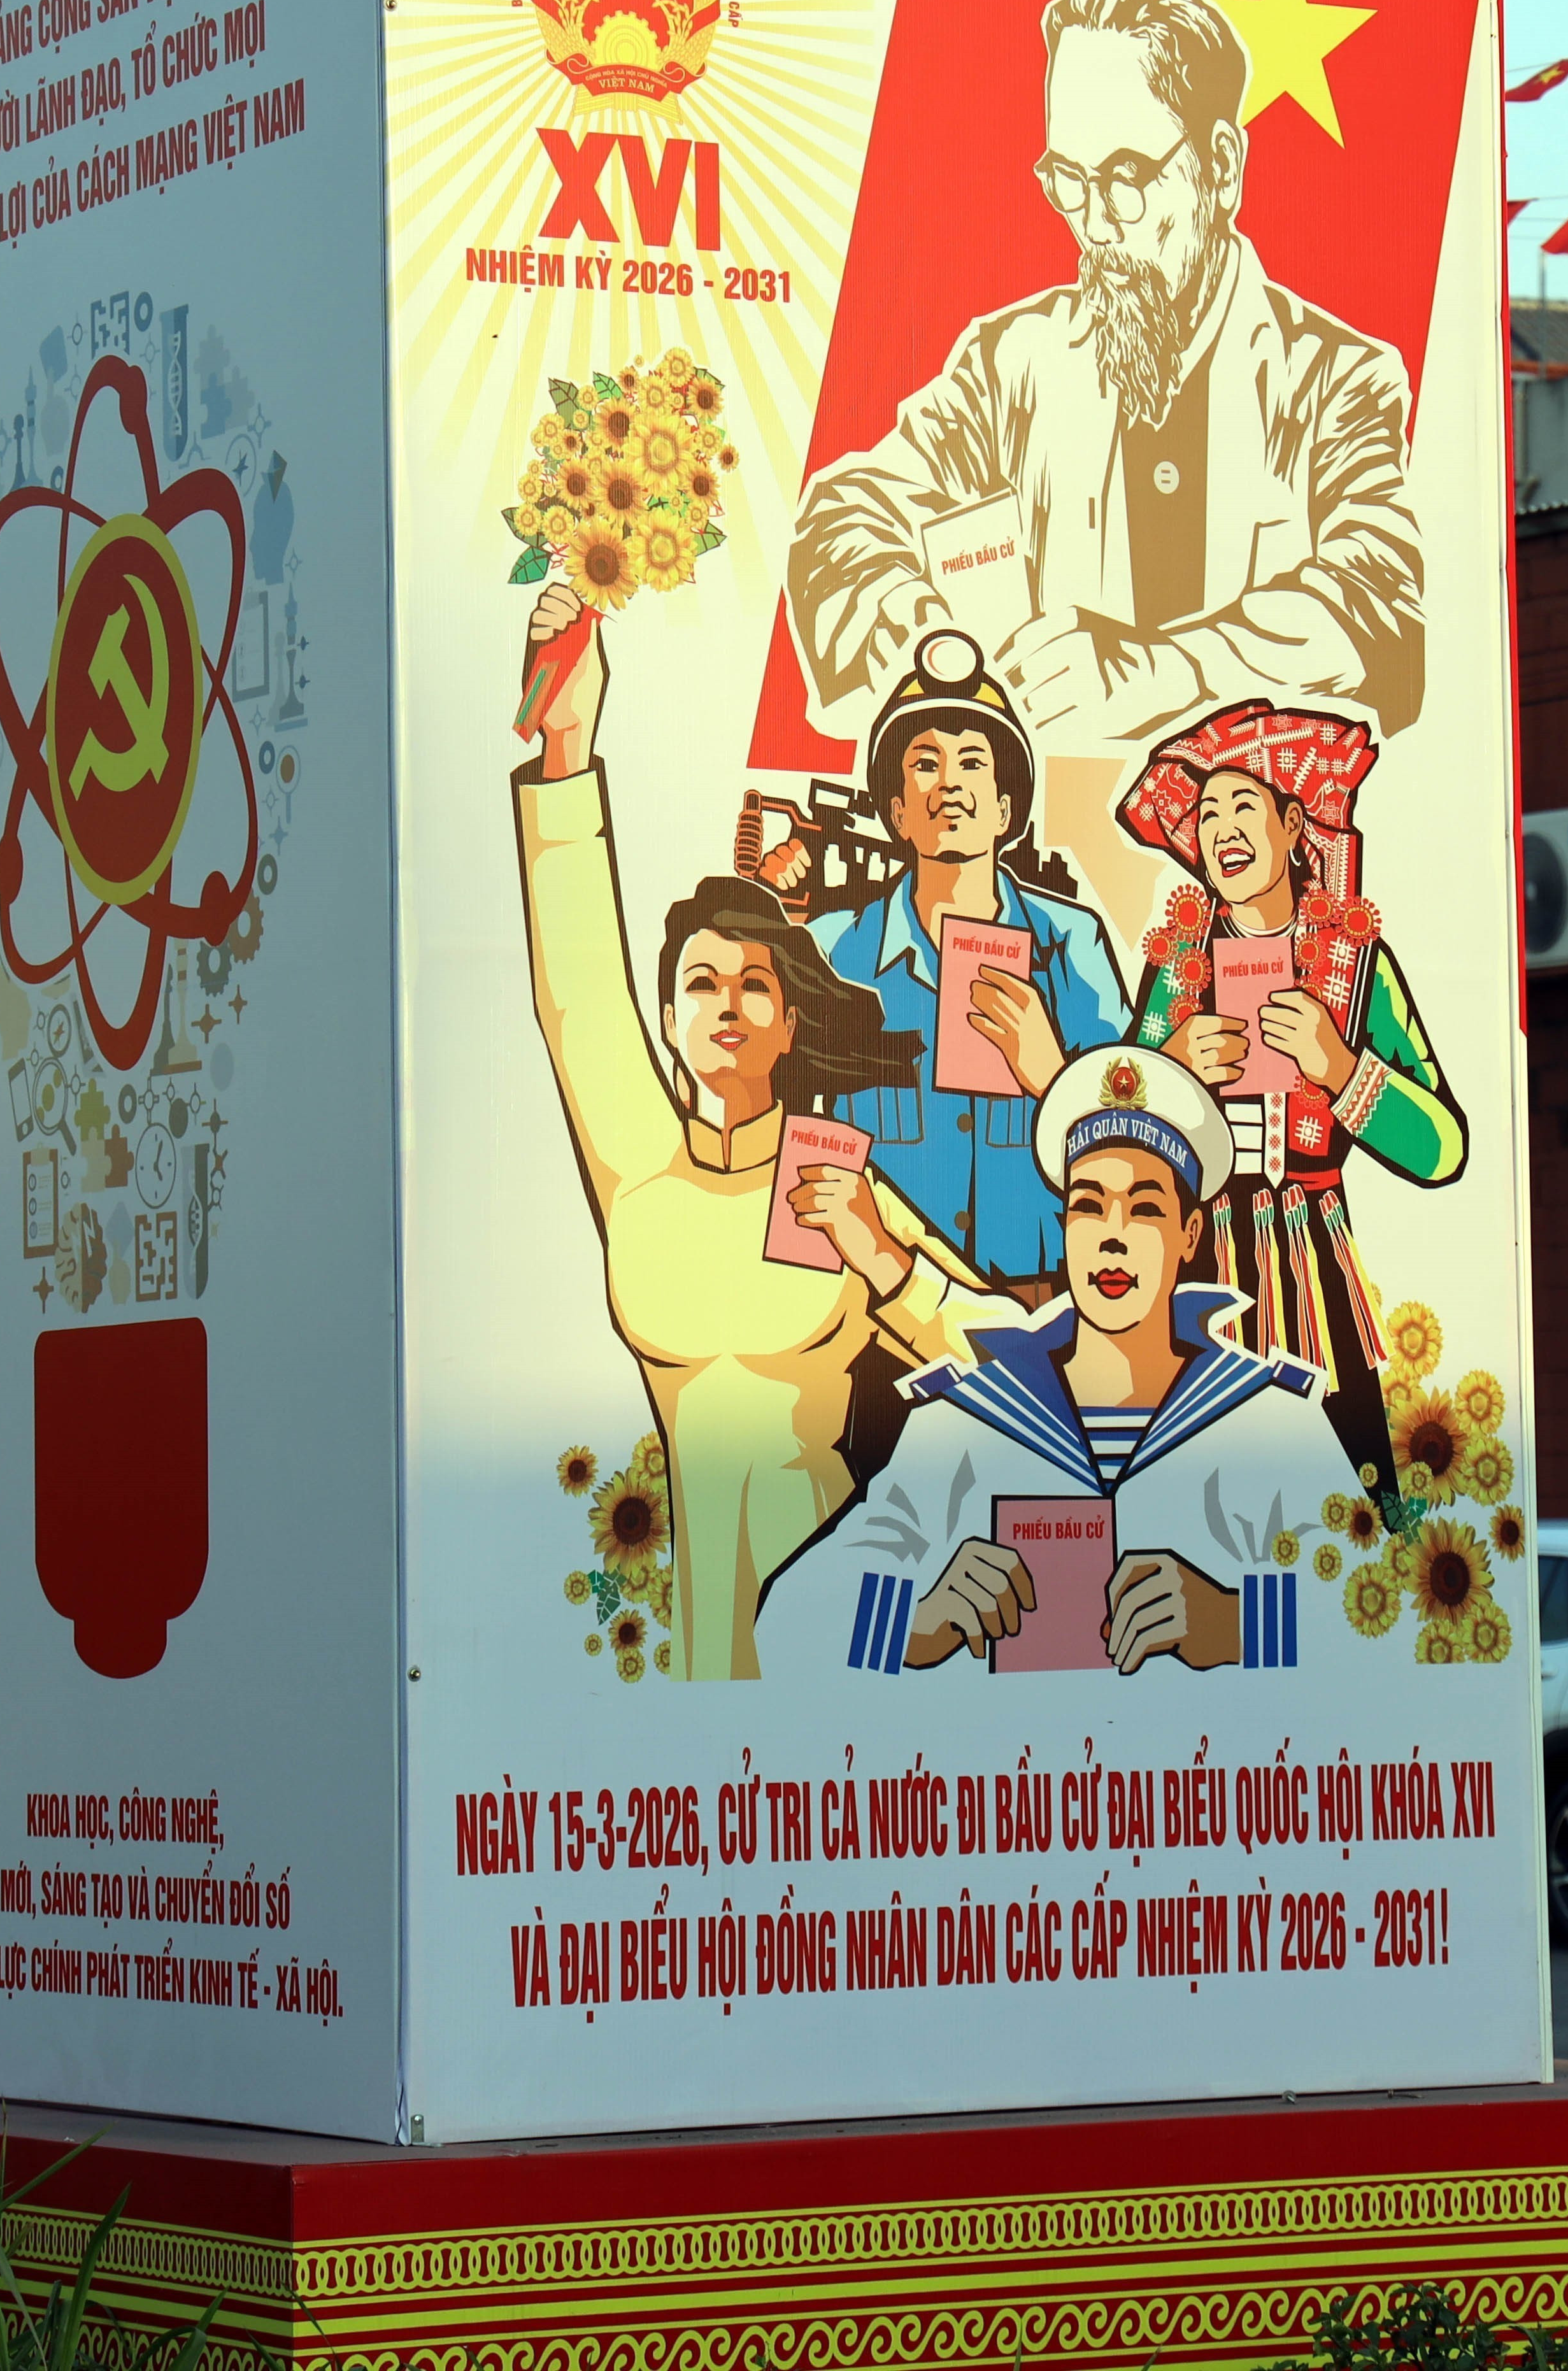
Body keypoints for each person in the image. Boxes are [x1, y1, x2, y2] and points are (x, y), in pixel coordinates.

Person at [513, 583, 992, 1680]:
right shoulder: (641, 1165)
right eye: (698, 983)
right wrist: (567, 746)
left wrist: (886, 1262)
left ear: (789, 1023)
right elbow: (577, 995)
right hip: (701, 1654)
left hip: (836, 1646)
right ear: (671, 1020)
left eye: (753, 986)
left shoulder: (825, 1174)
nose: (726, 1001)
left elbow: (1002, 1372)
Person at [785, 0, 1423, 750]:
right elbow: (841, 516)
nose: (1094, 224)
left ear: (1220, 167)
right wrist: (921, 632)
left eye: (1126, 179)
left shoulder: (1334, 379)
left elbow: (1380, 604)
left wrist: (1164, 675)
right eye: (1068, 181)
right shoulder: (1012, 364)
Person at [764, 1046, 1357, 1675]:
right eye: (1089, 1204)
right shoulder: (966, 1424)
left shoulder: (1267, 1423)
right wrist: (916, 1621)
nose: (1113, 1232)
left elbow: (1385, 1621)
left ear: (1191, 1234)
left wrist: (1237, 1625)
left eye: (1147, 1207)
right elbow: (782, 1627)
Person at [1116, 701, 1463, 1498]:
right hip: (1191, 1263)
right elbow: (1110, 1127)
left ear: (1292, 823)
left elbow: (1444, 1146)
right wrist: (1167, 1065)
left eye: (1244, 806)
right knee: (1178, 1492)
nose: (1222, 830)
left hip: (1310, 1262)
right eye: (1207, 812)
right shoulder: (1176, 966)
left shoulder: (1353, 962)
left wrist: (1341, 1069)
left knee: (1358, 1490)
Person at [813, 631, 1129, 1298]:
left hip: (1040, 1301)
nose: (950, 783)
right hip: (880, 1300)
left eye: (973, 762)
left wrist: (1053, 1076)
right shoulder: (834, 952)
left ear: (1007, 808)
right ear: (896, 809)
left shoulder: (1071, 944)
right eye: (924, 763)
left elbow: (1136, 1143)